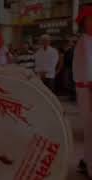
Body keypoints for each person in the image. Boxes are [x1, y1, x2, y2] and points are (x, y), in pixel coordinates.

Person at [73, 5, 92, 178]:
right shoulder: (85, 41)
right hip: (87, 90)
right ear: (84, 23)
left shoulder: (88, 40)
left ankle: (86, 161)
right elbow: (86, 70)